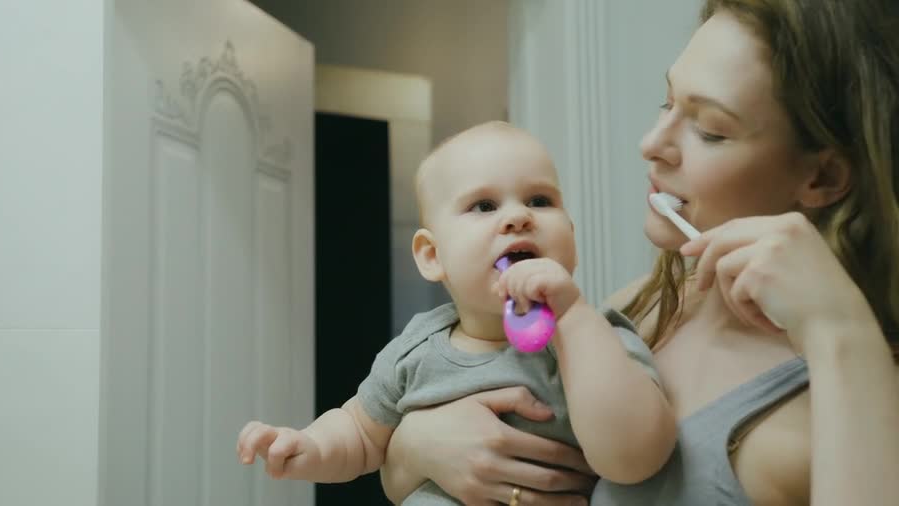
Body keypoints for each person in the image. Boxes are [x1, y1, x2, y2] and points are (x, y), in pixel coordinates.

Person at [379, 1, 899, 505]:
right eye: (668, 102)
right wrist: (418, 449)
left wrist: (840, 332)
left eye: (710, 130)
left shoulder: (845, 394)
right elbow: (405, 475)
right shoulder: (644, 306)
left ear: (823, 175)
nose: (651, 143)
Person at [236, 121, 677, 504]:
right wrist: (305, 447)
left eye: (540, 201)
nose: (518, 217)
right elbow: (359, 433)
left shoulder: (598, 339)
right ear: (432, 256)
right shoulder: (415, 351)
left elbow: (636, 456)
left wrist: (574, 318)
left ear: (572, 239)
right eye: (484, 206)